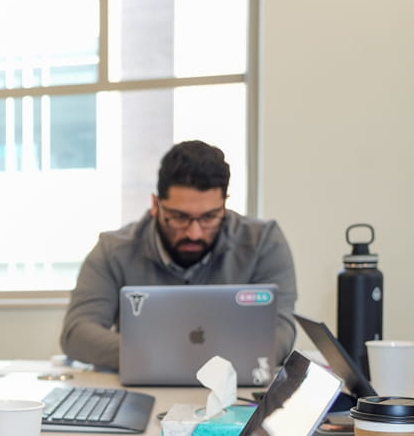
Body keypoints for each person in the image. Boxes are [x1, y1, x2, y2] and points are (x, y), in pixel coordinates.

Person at [60, 140, 297, 371]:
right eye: (180, 217)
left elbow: (280, 332)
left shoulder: (263, 242)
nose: (194, 233)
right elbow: (77, 333)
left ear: (224, 205)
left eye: (209, 217)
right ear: (156, 204)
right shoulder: (114, 250)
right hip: (143, 389)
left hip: (234, 393)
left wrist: (187, 359)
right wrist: (172, 356)